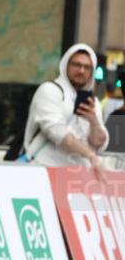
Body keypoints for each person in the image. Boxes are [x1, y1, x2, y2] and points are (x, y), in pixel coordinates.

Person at [23, 43, 108, 174]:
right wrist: (90, 155)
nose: (81, 71)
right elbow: (58, 132)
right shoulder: (50, 91)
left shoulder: (93, 102)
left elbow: (99, 144)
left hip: (79, 177)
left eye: (87, 67)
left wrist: (93, 121)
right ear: (65, 65)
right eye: (76, 65)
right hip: (43, 172)